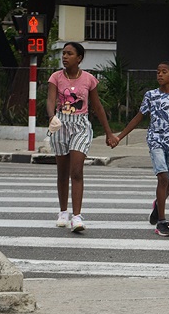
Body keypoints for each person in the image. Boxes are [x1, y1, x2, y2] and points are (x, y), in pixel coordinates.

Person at [111, 62, 169, 237]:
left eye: (164, 72)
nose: (160, 75)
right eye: (158, 72)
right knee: (162, 177)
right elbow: (138, 117)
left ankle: (157, 205)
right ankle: (162, 222)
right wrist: (119, 137)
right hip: (155, 139)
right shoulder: (151, 95)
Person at [46, 41, 117, 232]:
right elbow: (50, 100)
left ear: (79, 58)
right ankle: (63, 211)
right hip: (60, 124)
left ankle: (76, 217)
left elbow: (98, 106)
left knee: (76, 171)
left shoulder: (88, 79)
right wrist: (52, 117)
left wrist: (109, 133)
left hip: (80, 126)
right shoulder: (56, 77)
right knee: (62, 172)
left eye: (69, 53)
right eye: (64, 53)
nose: (65, 56)